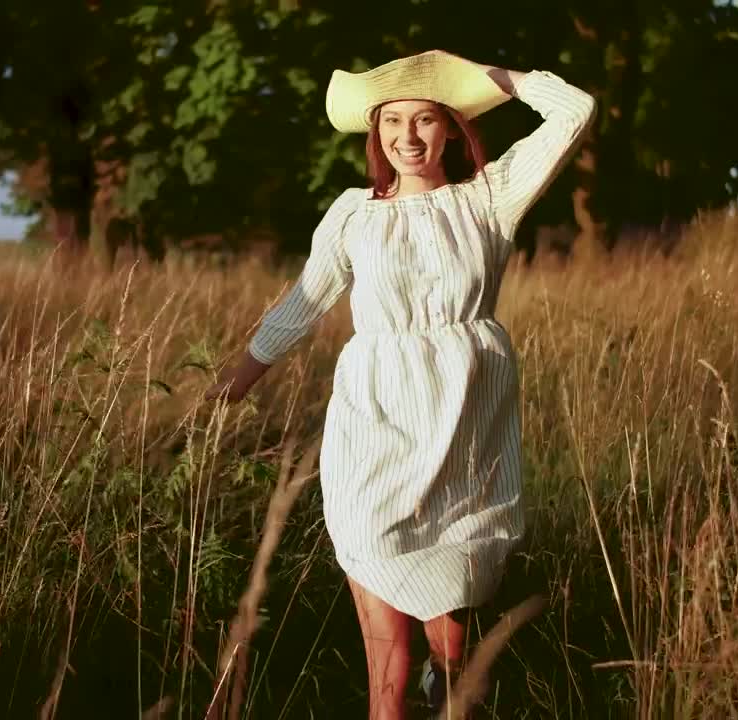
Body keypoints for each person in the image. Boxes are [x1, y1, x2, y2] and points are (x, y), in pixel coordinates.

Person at [207, 49, 595, 718]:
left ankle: (448, 693)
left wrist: (491, 81)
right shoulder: (355, 214)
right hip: (375, 423)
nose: (407, 137)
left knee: (451, 644)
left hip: (465, 425)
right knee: (387, 635)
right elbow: (304, 301)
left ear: (450, 126)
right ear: (373, 131)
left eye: (425, 118)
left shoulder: (490, 199)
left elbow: (574, 111)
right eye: (391, 121)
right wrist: (237, 378)